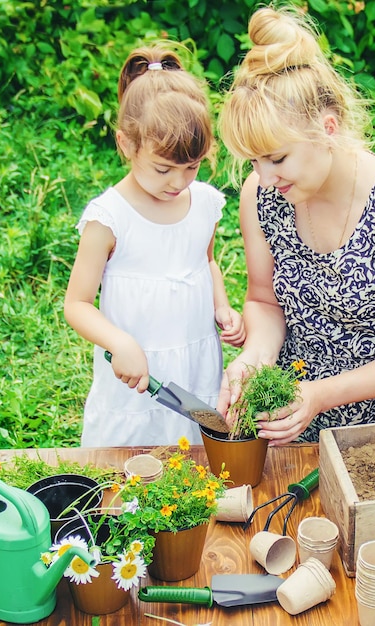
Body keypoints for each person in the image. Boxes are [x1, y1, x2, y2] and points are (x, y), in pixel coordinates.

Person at [216, 6, 375, 445]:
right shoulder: (261, 194)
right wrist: (254, 358)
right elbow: (263, 299)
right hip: (303, 419)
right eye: (254, 160)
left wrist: (322, 394)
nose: (265, 175)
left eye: (277, 158)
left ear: (327, 129)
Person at [64, 44, 245, 447]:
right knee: (130, 462)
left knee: (195, 456)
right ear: (127, 144)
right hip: (138, 372)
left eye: (192, 167)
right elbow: (76, 304)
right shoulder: (109, 218)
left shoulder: (204, 203)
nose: (179, 182)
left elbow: (207, 262)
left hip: (195, 362)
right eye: (163, 168)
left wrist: (222, 305)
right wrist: (119, 343)